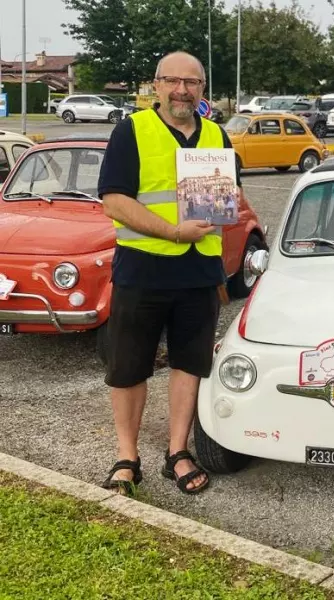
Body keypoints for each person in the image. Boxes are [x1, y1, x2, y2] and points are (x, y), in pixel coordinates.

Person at [97, 51, 243, 497]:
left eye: (192, 82)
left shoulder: (218, 136)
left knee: (189, 364)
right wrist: (174, 232)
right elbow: (114, 201)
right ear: (156, 85)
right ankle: (127, 457)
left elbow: (233, 197)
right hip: (142, 271)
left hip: (199, 274)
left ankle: (177, 452)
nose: (182, 90)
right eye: (173, 81)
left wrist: (229, 200)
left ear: (203, 89)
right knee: (128, 368)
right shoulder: (132, 131)